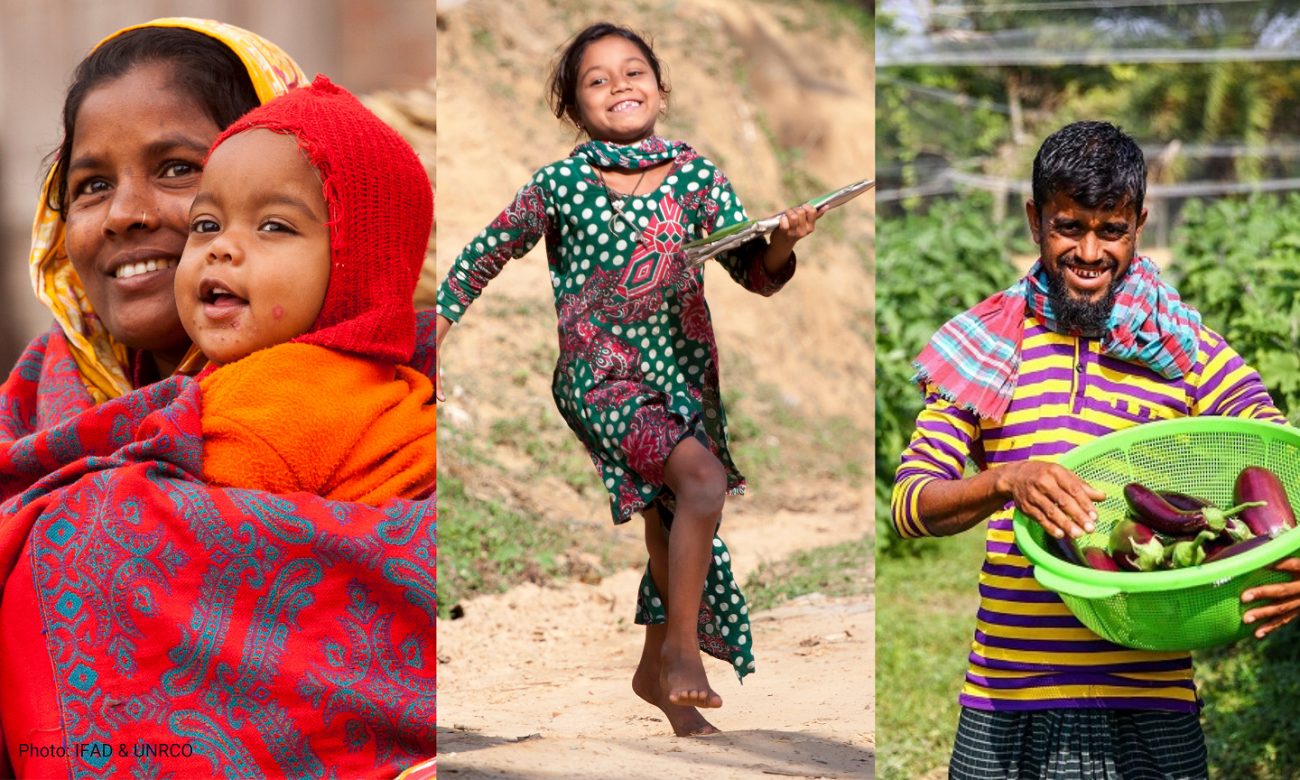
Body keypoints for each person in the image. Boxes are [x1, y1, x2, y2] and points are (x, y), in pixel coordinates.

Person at [0, 21, 435, 779]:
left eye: (175, 169)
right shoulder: (38, 400)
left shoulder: (386, 371)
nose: (124, 212)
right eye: (91, 184)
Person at [434, 22, 820, 736]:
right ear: (574, 108)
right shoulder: (559, 185)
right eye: (598, 80)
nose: (620, 87)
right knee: (700, 484)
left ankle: (661, 686)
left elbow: (753, 274)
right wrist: (434, 333)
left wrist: (784, 242)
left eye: (634, 72)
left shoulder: (700, 177)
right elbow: (485, 253)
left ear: (662, 89)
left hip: (681, 379)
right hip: (599, 376)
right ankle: (681, 654)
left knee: (672, 520)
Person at [891, 120, 1285, 779]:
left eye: (1112, 229)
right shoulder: (988, 348)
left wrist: (1288, 560)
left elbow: (1277, 463)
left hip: (1151, 697)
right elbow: (909, 505)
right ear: (1034, 220)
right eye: (1069, 226)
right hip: (1009, 692)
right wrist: (1003, 480)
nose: (1090, 251)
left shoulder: (1185, 349)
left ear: (1139, 224)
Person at [176, 75, 436, 503]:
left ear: (358, 266)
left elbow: (176, 530)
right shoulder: (365, 379)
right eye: (206, 225)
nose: (221, 247)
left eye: (273, 226)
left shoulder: (274, 410)